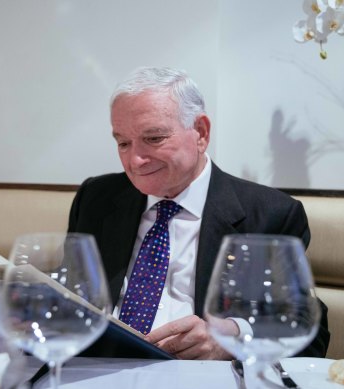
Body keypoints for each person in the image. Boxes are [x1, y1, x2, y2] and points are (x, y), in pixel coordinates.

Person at [68, 66, 330, 360]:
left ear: (201, 133)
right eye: (123, 143)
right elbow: (72, 297)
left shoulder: (270, 214)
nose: (136, 160)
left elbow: (307, 331)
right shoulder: (96, 198)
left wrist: (230, 338)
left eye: (154, 138)